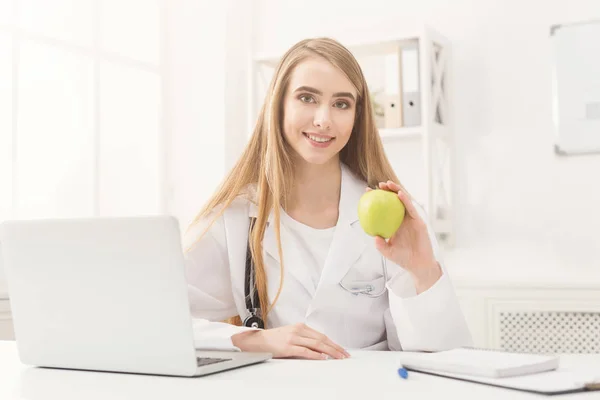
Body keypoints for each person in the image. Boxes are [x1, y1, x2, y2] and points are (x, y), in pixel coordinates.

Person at [184, 37, 472, 360]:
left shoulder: (397, 216)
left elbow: (451, 361)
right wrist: (254, 340)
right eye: (307, 98)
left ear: (356, 116)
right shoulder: (235, 216)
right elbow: (157, 317)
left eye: (341, 104)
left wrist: (422, 271)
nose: (324, 119)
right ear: (278, 105)